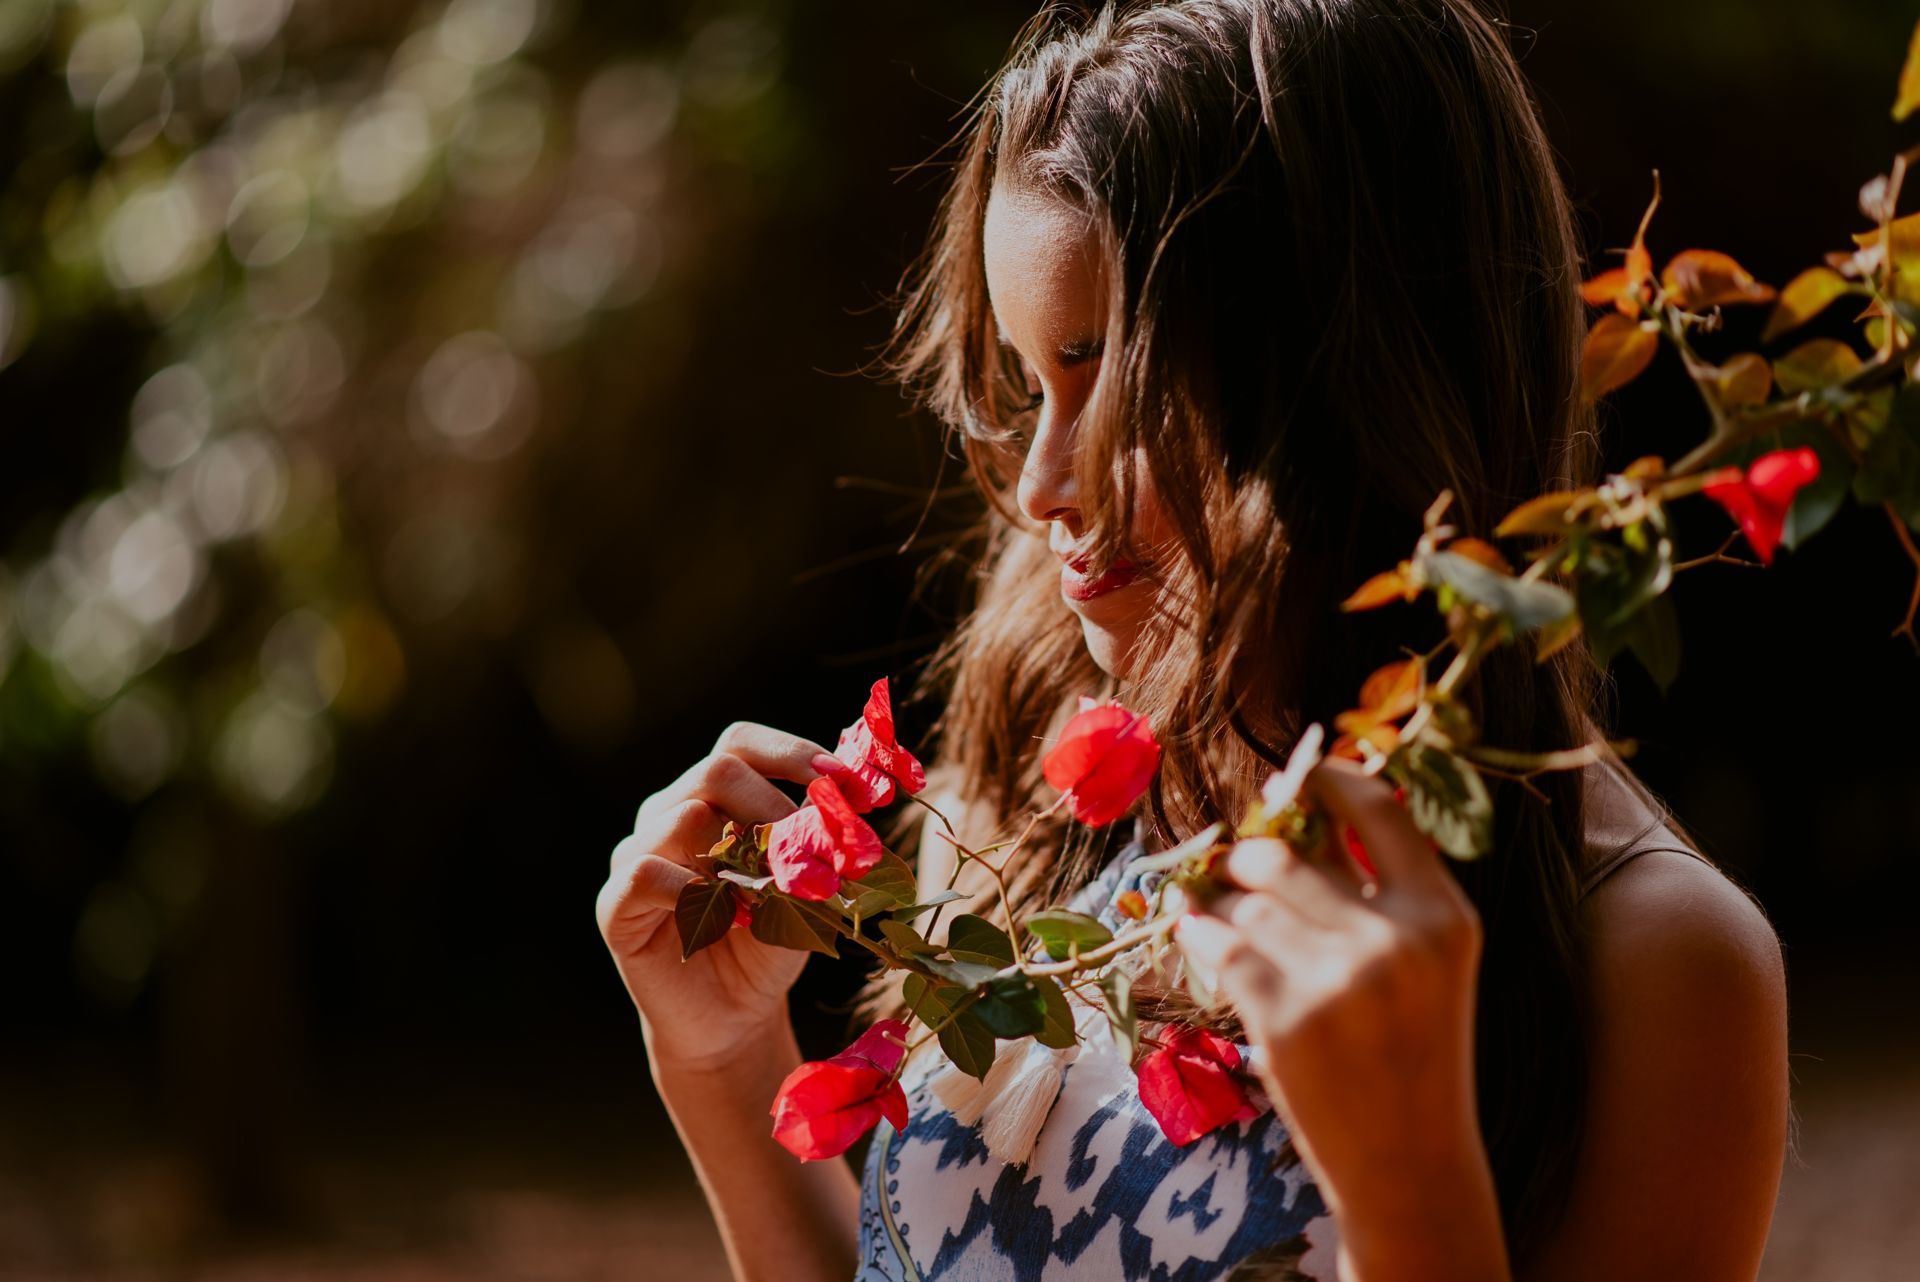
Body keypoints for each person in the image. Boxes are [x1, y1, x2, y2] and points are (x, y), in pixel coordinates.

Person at [596, 2, 1792, 1279]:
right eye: (1025, 381)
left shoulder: (1653, 962)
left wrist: (1403, 1174)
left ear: (1347, 359)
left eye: (1104, 364)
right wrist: (722, 1066)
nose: (1045, 481)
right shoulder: (1028, 800)